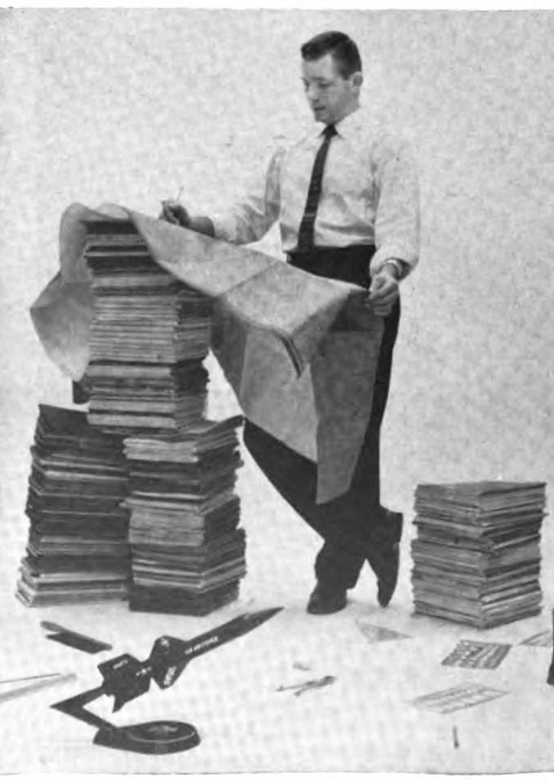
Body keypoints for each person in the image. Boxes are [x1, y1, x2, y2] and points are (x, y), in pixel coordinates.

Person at [161, 31, 419, 615]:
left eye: (323, 84)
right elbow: (251, 215)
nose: (313, 97)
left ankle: (336, 568)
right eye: (306, 85)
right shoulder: (293, 147)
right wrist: (197, 220)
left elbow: (399, 225)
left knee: (352, 440)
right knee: (269, 432)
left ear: (355, 81)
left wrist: (390, 269)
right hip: (295, 293)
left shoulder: (387, 147)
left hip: (359, 293)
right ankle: (372, 529)